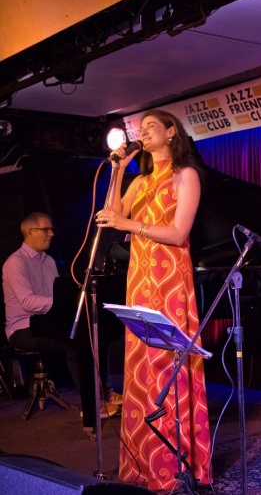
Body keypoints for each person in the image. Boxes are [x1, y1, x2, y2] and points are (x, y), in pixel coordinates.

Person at [96, 109, 212, 491]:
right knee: (141, 367)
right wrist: (118, 170)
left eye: (150, 127)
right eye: (140, 128)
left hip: (170, 281)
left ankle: (174, 466)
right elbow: (113, 214)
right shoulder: (140, 180)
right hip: (140, 280)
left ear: (171, 131)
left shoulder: (185, 174)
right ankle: (142, 464)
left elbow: (178, 233)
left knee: (167, 366)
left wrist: (130, 226)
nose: (143, 133)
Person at [2, 211, 121, 436]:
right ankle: (93, 405)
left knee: (94, 334)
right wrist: (66, 304)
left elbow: (54, 296)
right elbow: (28, 302)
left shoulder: (48, 261)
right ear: (29, 232)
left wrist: (70, 304)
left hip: (45, 321)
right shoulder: (15, 262)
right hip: (22, 328)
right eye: (46, 229)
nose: (51, 234)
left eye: (51, 229)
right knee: (76, 342)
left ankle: (102, 393)